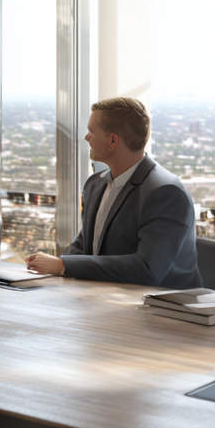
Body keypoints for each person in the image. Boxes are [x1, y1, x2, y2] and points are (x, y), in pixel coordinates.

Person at [26, 97, 200, 288]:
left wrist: (63, 266)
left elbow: (148, 269)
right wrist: (59, 264)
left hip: (164, 309)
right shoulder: (95, 184)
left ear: (112, 140)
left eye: (92, 131)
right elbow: (83, 246)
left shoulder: (166, 193)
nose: (87, 137)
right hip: (103, 298)